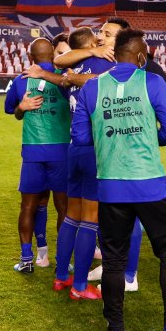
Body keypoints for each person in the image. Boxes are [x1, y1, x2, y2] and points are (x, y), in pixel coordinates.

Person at [71, 28, 166, 331]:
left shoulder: (92, 88)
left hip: (111, 187)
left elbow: (82, 139)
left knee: (113, 261)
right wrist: (139, 136)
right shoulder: (152, 82)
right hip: (151, 185)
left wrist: (116, 137)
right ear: (141, 57)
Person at [50, 18, 145, 296]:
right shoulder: (111, 65)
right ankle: (80, 285)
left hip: (74, 149)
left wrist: (72, 75)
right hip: (96, 149)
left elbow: (63, 66)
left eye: (106, 33)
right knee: (90, 220)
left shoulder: (75, 63)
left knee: (72, 216)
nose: (101, 37)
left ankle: (60, 276)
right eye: (100, 34)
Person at [3, 37, 70, 273]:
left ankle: (28, 258)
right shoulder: (66, 79)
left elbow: (13, 111)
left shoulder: (21, 81)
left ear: (30, 57)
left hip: (33, 150)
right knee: (64, 209)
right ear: (53, 54)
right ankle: (62, 261)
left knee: (29, 206)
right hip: (62, 151)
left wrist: (22, 107)